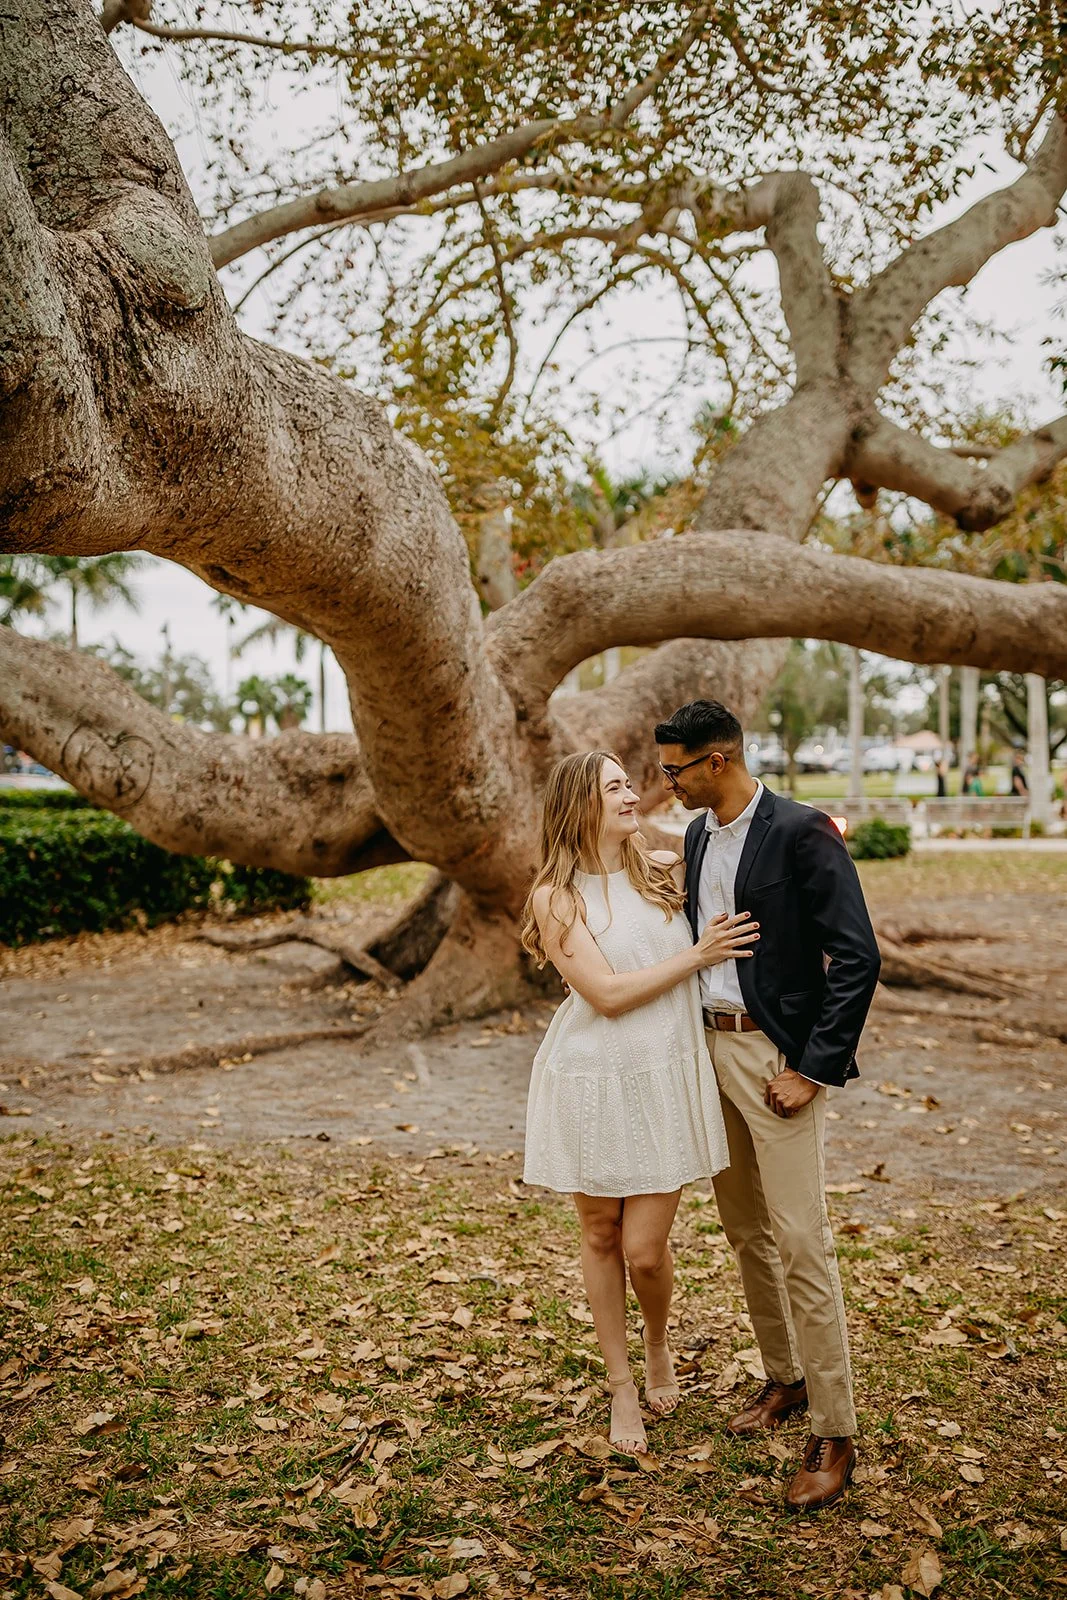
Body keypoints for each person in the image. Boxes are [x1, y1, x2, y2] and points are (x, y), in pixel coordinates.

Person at [654, 700, 881, 1512]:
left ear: (716, 761)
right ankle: (782, 1379)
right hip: (707, 1049)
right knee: (745, 1230)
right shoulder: (693, 836)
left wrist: (811, 1069)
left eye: (675, 768)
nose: (666, 781)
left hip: (774, 1058)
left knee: (800, 1240)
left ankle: (834, 1427)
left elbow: (857, 957)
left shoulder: (800, 830)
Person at [521, 750, 757, 1456]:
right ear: (580, 805)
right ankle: (621, 1385)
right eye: (614, 787)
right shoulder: (555, 898)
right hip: (591, 1077)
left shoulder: (662, 868)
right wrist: (698, 955)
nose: (631, 794)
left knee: (645, 1250)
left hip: (661, 1073)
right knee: (599, 1236)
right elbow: (606, 995)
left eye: (629, 782)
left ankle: (657, 1341)